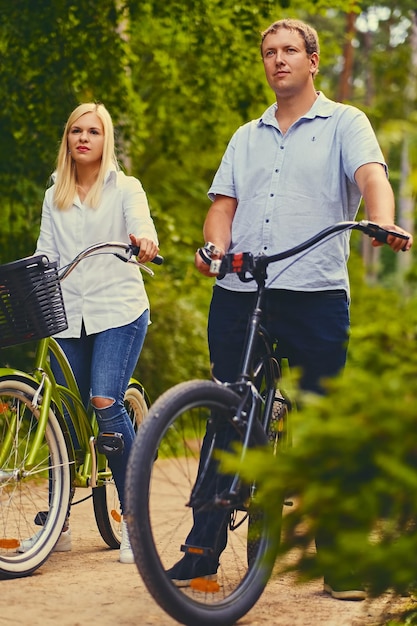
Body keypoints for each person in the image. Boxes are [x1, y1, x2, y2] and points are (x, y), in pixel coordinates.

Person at [166, 18, 413, 598]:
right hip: (240, 294)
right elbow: (222, 208)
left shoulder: (345, 123)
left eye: (288, 52)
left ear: (313, 60)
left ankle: (342, 559)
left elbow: (371, 177)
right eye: (269, 52)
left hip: (314, 296)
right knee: (228, 414)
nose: (277, 60)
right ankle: (202, 551)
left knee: (323, 421)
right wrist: (215, 248)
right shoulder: (244, 136)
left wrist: (381, 217)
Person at [19, 102, 159, 564]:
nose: (83, 138)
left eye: (93, 131)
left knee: (103, 400)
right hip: (68, 316)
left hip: (118, 310)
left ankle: (136, 522)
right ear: (68, 139)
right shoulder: (54, 194)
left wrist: (144, 242)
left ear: (106, 139)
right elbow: (45, 256)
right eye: (76, 130)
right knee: (58, 412)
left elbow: (142, 227)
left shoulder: (126, 188)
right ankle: (56, 520)